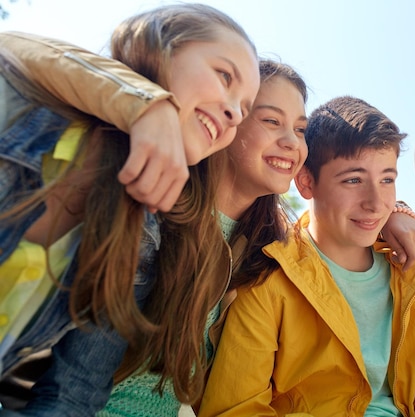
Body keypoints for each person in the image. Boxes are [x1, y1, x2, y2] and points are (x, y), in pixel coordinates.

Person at [0, 3, 259, 415]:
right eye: (224, 76)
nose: (233, 112)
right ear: (160, 48)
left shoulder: (144, 234)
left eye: (244, 108)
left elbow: (75, 391)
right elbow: (9, 48)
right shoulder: (19, 111)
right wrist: (146, 104)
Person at [199, 95, 415, 417]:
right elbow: (236, 408)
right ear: (306, 182)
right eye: (353, 180)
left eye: (387, 179)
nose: (375, 203)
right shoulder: (268, 279)